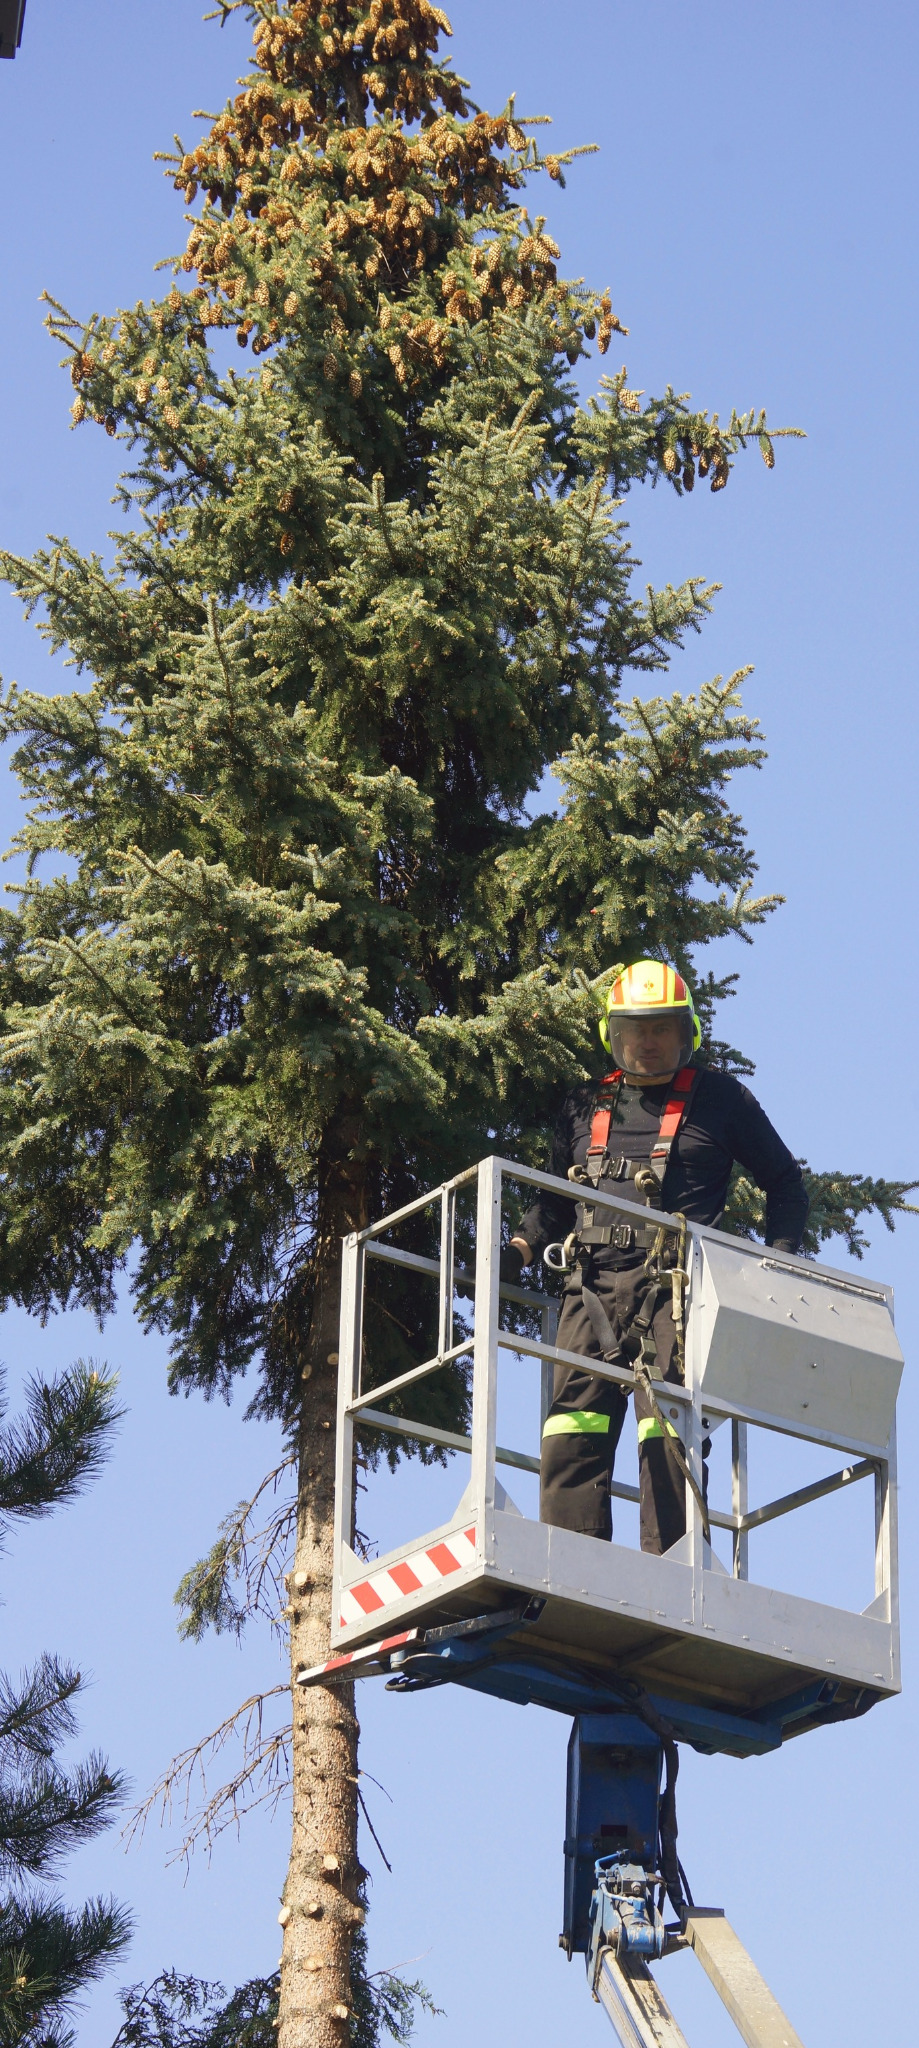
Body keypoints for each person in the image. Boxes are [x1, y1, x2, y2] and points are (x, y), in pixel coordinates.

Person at [501, 960, 808, 1554]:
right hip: (587, 1289)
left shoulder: (722, 1100)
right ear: (612, 1034)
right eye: (635, 1029)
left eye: (661, 1028)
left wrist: (780, 1263)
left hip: (674, 1293)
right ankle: (571, 1569)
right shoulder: (584, 1104)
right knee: (569, 1432)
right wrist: (516, 1250)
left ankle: (671, 1573)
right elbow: (554, 1201)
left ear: (686, 1033)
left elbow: (785, 1183)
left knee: (666, 1433)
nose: (647, 1041)